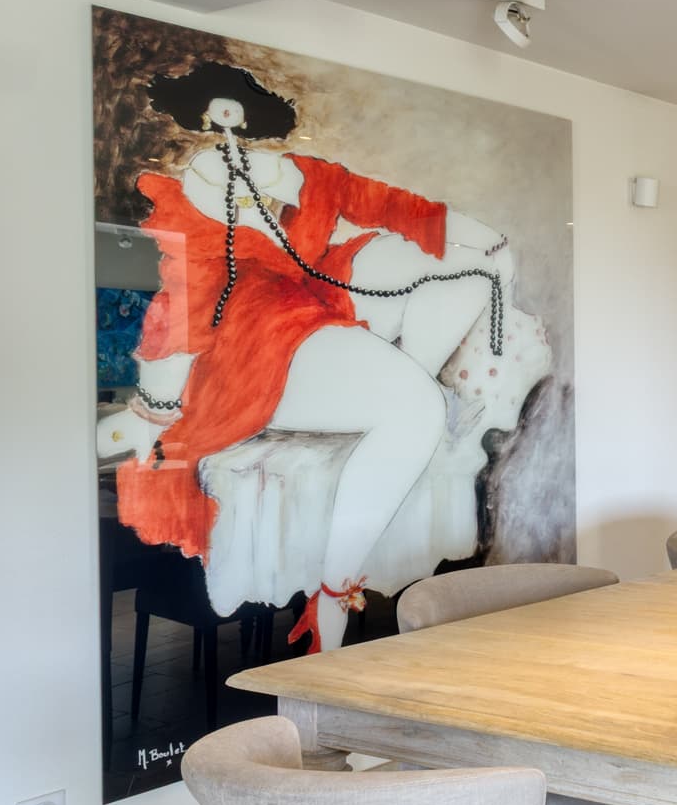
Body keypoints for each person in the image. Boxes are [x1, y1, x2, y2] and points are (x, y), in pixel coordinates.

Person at [104, 61, 520, 652]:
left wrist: (489, 239)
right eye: (215, 112)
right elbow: (183, 312)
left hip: (317, 314)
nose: (229, 124)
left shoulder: (304, 176)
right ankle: (333, 600)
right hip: (252, 346)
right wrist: (155, 408)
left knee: (454, 277)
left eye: (240, 112)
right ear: (199, 120)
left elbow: (395, 206)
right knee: (416, 406)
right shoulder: (193, 204)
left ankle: (393, 427)